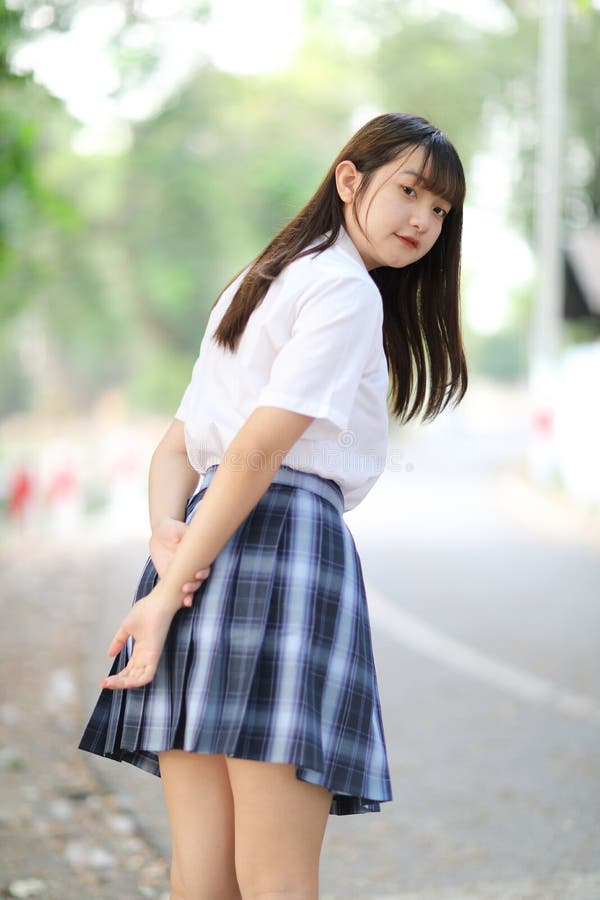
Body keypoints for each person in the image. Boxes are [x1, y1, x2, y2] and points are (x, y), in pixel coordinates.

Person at [79, 112, 467, 900]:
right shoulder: (345, 291)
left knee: (203, 874)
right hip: (284, 553)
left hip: (201, 550)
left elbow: (179, 450)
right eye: (410, 192)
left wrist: (169, 551)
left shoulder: (257, 282)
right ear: (348, 179)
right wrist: (161, 595)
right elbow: (255, 452)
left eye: (441, 210)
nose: (424, 220)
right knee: (277, 877)